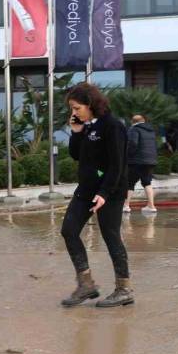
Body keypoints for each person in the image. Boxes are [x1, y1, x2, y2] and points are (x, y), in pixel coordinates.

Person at [59, 83, 134, 308]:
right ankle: (86, 285)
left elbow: (117, 164)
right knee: (69, 230)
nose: (74, 112)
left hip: (110, 191)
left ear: (90, 104)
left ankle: (124, 289)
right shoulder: (87, 126)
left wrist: (104, 193)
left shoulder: (113, 126)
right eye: (72, 109)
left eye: (77, 108)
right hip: (86, 190)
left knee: (110, 236)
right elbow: (76, 155)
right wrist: (76, 133)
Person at [124, 114, 158, 214]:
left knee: (129, 182)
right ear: (143, 121)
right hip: (150, 160)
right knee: (147, 182)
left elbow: (133, 144)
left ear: (132, 121)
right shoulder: (151, 131)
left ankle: (126, 205)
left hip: (137, 161)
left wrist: (127, 155)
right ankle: (151, 206)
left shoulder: (134, 129)